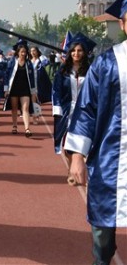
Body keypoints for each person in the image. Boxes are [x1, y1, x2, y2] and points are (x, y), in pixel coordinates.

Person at [65, 0, 127, 265]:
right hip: (109, 158)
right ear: (123, 24)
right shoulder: (106, 62)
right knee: (103, 236)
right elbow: (86, 109)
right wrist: (77, 156)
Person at [52, 32, 95, 185]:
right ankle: (71, 169)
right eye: (73, 50)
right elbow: (56, 90)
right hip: (67, 111)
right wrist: (57, 109)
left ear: (85, 53)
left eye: (80, 50)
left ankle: (82, 168)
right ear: (69, 52)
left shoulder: (92, 71)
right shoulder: (63, 71)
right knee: (67, 142)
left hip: (86, 111)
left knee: (87, 141)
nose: (76, 53)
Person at [3, 40, 37, 138]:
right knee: (14, 108)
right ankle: (14, 125)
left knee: (25, 108)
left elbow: (32, 77)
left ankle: (27, 129)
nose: (23, 54)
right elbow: (7, 74)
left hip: (25, 89)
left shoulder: (28, 63)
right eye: (22, 52)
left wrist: (33, 91)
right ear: (18, 52)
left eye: (25, 52)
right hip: (14, 88)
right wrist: (6, 89)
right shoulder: (12, 62)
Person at [30, 46, 52, 124]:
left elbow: (47, 63)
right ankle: (34, 117)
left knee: (37, 100)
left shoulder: (41, 59)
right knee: (33, 101)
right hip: (31, 83)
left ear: (37, 51)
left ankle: (36, 114)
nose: (33, 52)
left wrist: (43, 61)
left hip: (39, 82)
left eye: (34, 51)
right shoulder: (29, 61)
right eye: (31, 51)